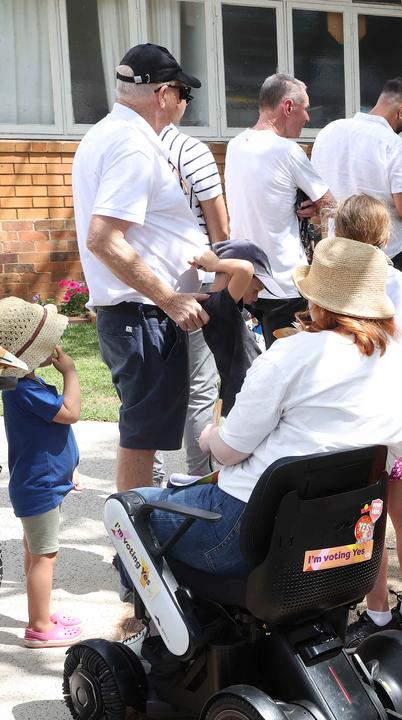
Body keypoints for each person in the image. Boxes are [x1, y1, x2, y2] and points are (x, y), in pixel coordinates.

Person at [121, 237, 402, 582]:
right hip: (343, 535)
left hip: (251, 529)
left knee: (128, 509)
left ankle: (154, 624)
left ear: (316, 301)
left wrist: (209, 438)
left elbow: (230, 452)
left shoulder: (289, 355)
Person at [71, 43, 210, 492]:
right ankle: (132, 552)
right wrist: (170, 298)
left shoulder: (109, 134)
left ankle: (132, 544)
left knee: (142, 433)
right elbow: (103, 238)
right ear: (165, 93)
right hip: (143, 314)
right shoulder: (131, 144)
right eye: (184, 92)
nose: (184, 102)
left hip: (137, 313)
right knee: (142, 438)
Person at [330, 196, 402, 646]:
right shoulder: (401, 285)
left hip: (361, 418)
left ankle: (376, 615)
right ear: (385, 235)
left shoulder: (335, 286)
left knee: (366, 517)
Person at [225, 73, 335, 348]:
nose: (308, 117)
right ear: (287, 107)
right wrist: (317, 210)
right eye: (305, 109)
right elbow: (332, 204)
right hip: (285, 281)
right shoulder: (288, 150)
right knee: (294, 370)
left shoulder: (235, 145)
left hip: (245, 279)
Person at [154, 90, 230, 483]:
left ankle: (146, 486)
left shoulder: (124, 146)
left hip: (143, 284)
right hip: (193, 280)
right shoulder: (191, 150)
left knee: (148, 393)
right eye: (184, 95)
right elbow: (220, 229)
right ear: (171, 99)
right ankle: (198, 480)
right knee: (200, 390)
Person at [0, 299, 83, 648]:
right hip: (41, 487)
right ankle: (39, 628)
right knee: (45, 556)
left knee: (36, 551)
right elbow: (71, 413)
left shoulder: (19, 385)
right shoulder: (26, 390)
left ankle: (42, 613)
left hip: (43, 484)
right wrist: (70, 371)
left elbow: (47, 438)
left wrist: (69, 471)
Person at [311, 78, 402, 276]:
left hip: (337, 247)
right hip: (383, 253)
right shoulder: (394, 145)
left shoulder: (329, 131)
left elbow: (316, 192)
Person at [187, 241, 279, 416]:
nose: (256, 298)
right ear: (231, 275)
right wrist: (215, 265)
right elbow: (245, 269)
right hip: (244, 392)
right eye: (255, 290)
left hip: (246, 390)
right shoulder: (218, 306)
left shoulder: (222, 305)